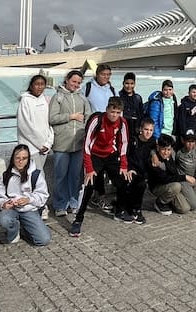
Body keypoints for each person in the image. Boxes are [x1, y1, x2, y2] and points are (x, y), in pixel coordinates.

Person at [70, 97, 133, 235]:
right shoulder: (97, 120)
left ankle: (119, 211)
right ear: (107, 110)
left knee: (123, 180)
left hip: (110, 155)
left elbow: (124, 144)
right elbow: (86, 145)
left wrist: (123, 165)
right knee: (88, 185)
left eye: (117, 112)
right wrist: (90, 168)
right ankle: (78, 220)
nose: (114, 115)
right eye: (112, 112)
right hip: (95, 155)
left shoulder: (122, 123)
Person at [48, 70, 91, 217]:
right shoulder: (57, 97)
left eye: (79, 83)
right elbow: (52, 118)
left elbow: (89, 118)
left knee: (75, 176)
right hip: (62, 143)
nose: (76, 85)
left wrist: (85, 132)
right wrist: (71, 116)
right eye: (74, 81)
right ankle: (60, 204)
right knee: (60, 176)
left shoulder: (82, 98)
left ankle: (73, 203)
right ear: (67, 80)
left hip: (78, 144)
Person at [0, 145, 51, 246]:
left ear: (28, 159)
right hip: (12, 210)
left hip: (29, 210)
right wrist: (4, 204)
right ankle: (14, 231)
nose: (20, 161)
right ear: (13, 159)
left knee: (43, 240)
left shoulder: (36, 175)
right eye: (17, 158)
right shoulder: (6, 175)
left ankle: (25, 228)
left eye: (24, 158)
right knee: (3, 220)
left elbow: (43, 195)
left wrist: (29, 199)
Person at [148, 134, 196, 215]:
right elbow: (165, 179)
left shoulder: (171, 155)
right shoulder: (155, 161)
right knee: (177, 186)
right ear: (158, 148)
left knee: (185, 208)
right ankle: (160, 202)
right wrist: (185, 177)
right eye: (163, 149)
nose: (166, 152)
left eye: (168, 149)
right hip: (158, 186)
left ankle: (170, 200)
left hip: (171, 183)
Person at [16, 74, 53, 172]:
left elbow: (50, 123)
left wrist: (48, 143)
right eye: (37, 84)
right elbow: (24, 126)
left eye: (42, 84)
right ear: (31, 86)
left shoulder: (46, 100)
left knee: (39, 175)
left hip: (45, 147)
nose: (39, 87)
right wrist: (40, 144)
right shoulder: (25, 101)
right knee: (37, 177)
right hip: (31, 147)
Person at [125, 117, 157, 225]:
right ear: (140, 129)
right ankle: (128, 209)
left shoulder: (153, 141)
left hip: (144, 172)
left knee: (142, 183)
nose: (148, 132)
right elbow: (126, 156)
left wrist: (154, 154)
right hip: (132, 170)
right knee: (133, 183)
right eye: (146, 129)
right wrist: (129, 169)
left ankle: (137, 210)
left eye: (151, 130)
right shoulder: (133, 141)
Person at [176, 129, 196, 210]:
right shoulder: (178, 153)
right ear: (183, 141)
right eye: (188, 141)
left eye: (192, 141)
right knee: (194, 205)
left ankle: (191, 193)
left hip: (194, 180)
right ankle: (178, 195)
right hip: (184, 181)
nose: (190, 144)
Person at [119, 72, 143, 137]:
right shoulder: (118, 97)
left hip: (135, 131)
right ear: (123, 83)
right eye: (127, 83)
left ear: (134, 84)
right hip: (121, 130)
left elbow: (140, 115)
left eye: (132, 83)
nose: (129, 86)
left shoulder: (138, 98)